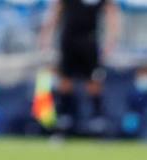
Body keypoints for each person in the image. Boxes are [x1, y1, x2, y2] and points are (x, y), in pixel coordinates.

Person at [39, 0, 121, 135]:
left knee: (94, 82)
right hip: (68, 41)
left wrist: (111, 40)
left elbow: (112, 14)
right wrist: (46, 38)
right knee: (65, 80)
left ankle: (97, 119)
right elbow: (54, 13)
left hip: (90, 42)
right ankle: (64, 117)